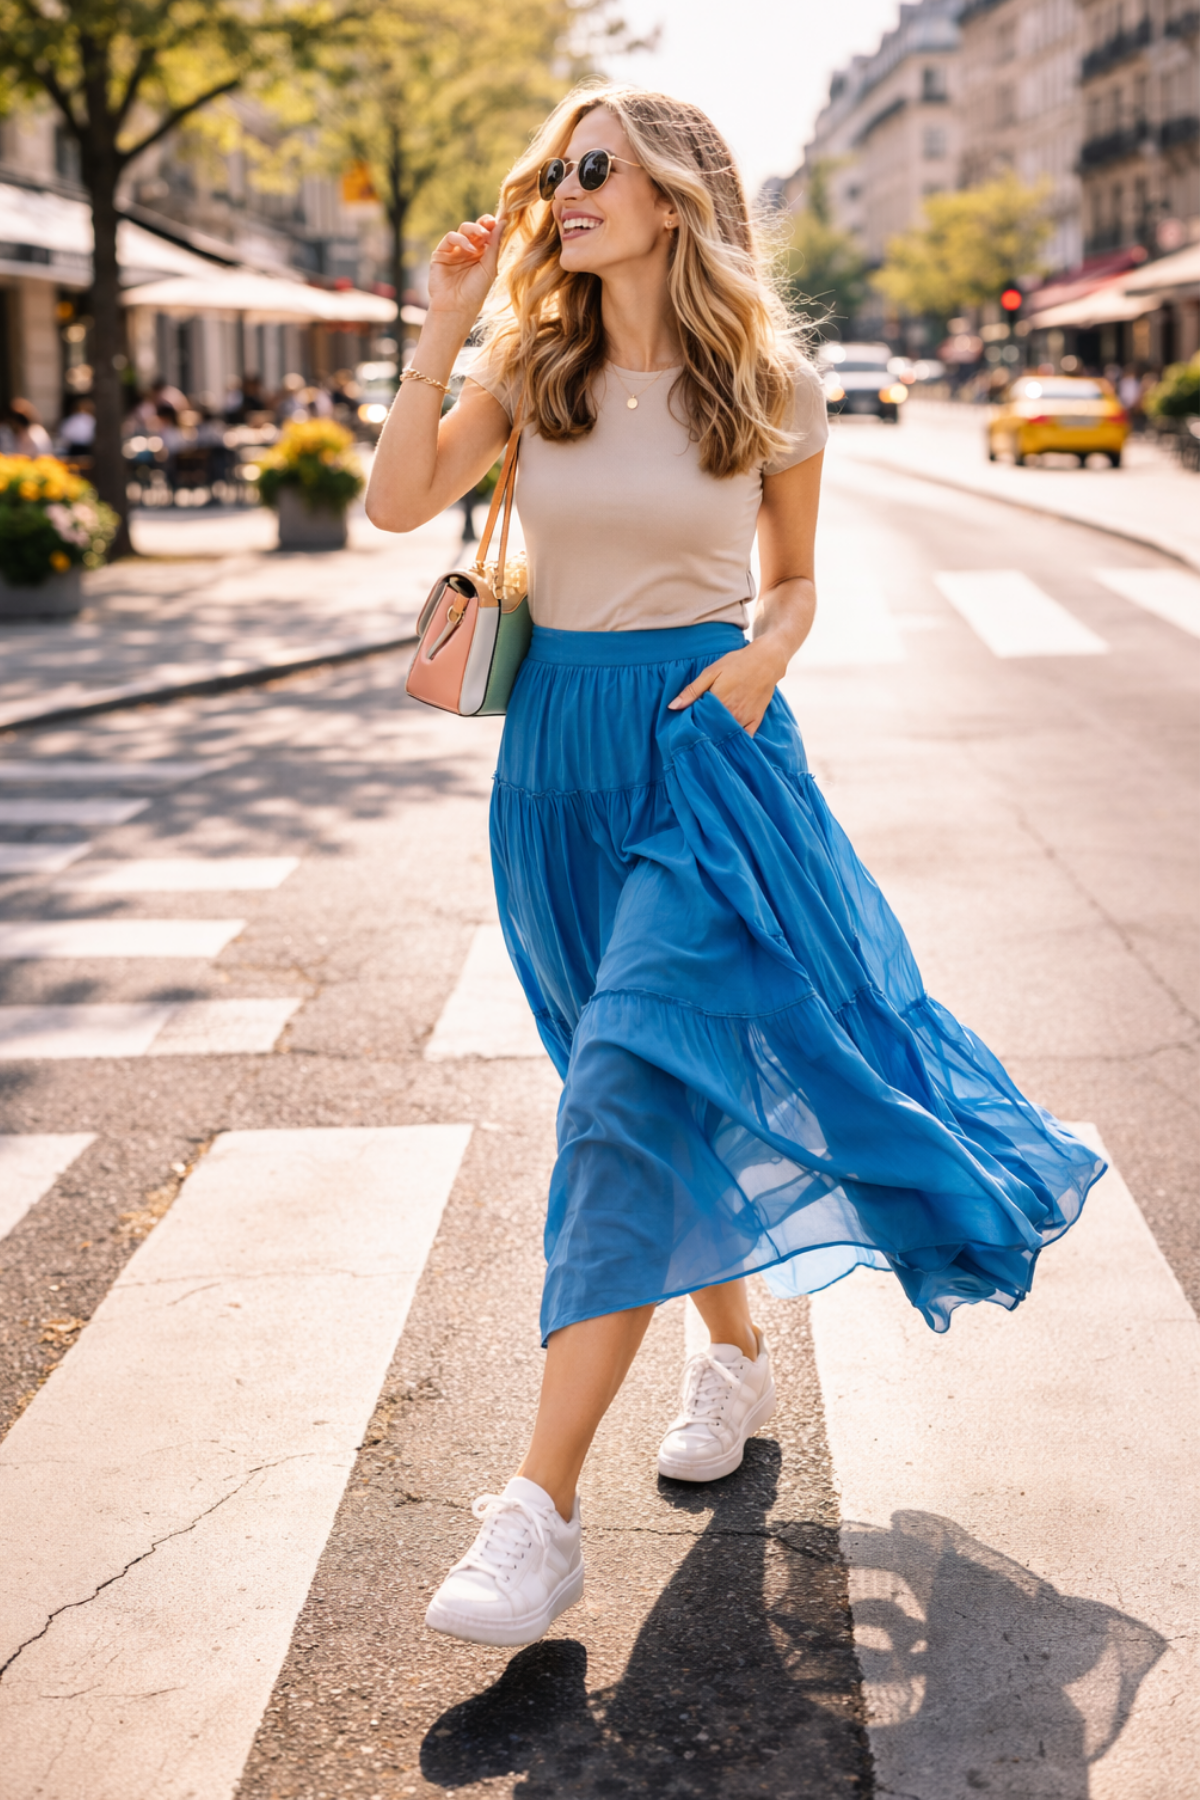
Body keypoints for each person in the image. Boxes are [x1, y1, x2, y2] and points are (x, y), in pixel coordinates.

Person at [365, 85, 1104, 1652]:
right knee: (637, 1078)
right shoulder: (534, 365)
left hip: (709, 754)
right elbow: (398, 497)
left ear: (675, 195)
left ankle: (540, 1512)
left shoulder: (768, 380)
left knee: (626, 1086)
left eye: (595, 169)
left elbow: (796, 585)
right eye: (559, 170)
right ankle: (735, 1351)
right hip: (554, 765)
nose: (566, 191)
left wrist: (767, 658)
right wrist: (442, 320)